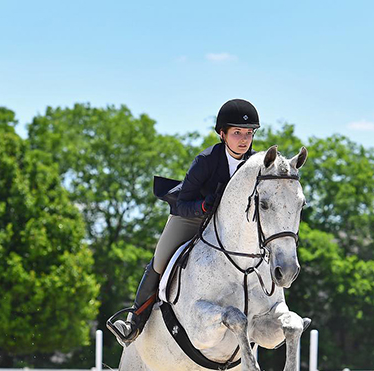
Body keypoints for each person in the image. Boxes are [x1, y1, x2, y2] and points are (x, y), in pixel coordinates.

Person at [107, 99, 261, 346]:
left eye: (249, 133)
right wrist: (202, 206)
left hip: (230, 228)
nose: (244, 139)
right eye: (237, 133)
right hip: (192, 218)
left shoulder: (255, 165)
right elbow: (181, 204)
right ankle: (134, 320)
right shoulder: (206, 161)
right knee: (161, 259)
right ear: (222, 134)